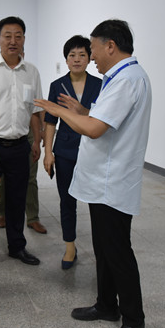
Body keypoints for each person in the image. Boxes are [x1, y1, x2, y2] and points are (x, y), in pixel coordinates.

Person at [34, 19, 151, 328]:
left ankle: (133, 319)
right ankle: (106, 304)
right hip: (104, 181)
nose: (91, 56)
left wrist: (57, 110)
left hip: (113, 182)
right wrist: (81, 110)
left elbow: (95, 129)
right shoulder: (119, 78)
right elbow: (100, 118)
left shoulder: (127, 80)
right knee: (103, 247)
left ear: (110, 46)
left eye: (93, 49)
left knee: (118, 251)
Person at [0, 16, 43, 271]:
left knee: (17, 199)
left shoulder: (31, 72)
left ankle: (17, 246)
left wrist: (36, 141)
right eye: (7, 36)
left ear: (24, 39)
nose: (13, 41)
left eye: (18, 36)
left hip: (20, 146)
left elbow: (34, 110)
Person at [43, 35, 102, 269]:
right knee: (67, 200)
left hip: (93, 151)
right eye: (72, 55)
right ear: (66, 59)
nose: (77, 59)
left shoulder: (100, 84)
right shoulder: (57, 85)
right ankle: (70, 247)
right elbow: (50, 122)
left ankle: (101, 249)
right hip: (65, 151)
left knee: (97, 203)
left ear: (89, 58)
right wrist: (48, 153)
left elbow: (103, 118)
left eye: (82, 55)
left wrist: (82, 110)